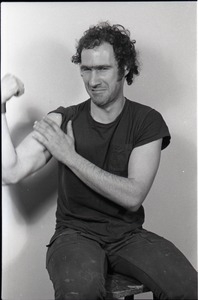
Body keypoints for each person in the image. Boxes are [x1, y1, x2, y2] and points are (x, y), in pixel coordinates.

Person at [2, 22, 197, 300]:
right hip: (74, 235)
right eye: (86, 69)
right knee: (80, 293)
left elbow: (133, 195)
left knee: (189, 288)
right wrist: (0, 105)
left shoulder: (147, 121)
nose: (93, 80)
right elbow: (8, 173)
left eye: (103, 69)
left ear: (125, 68)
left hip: (128, 235)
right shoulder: (63, 120)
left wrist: (69, 156)